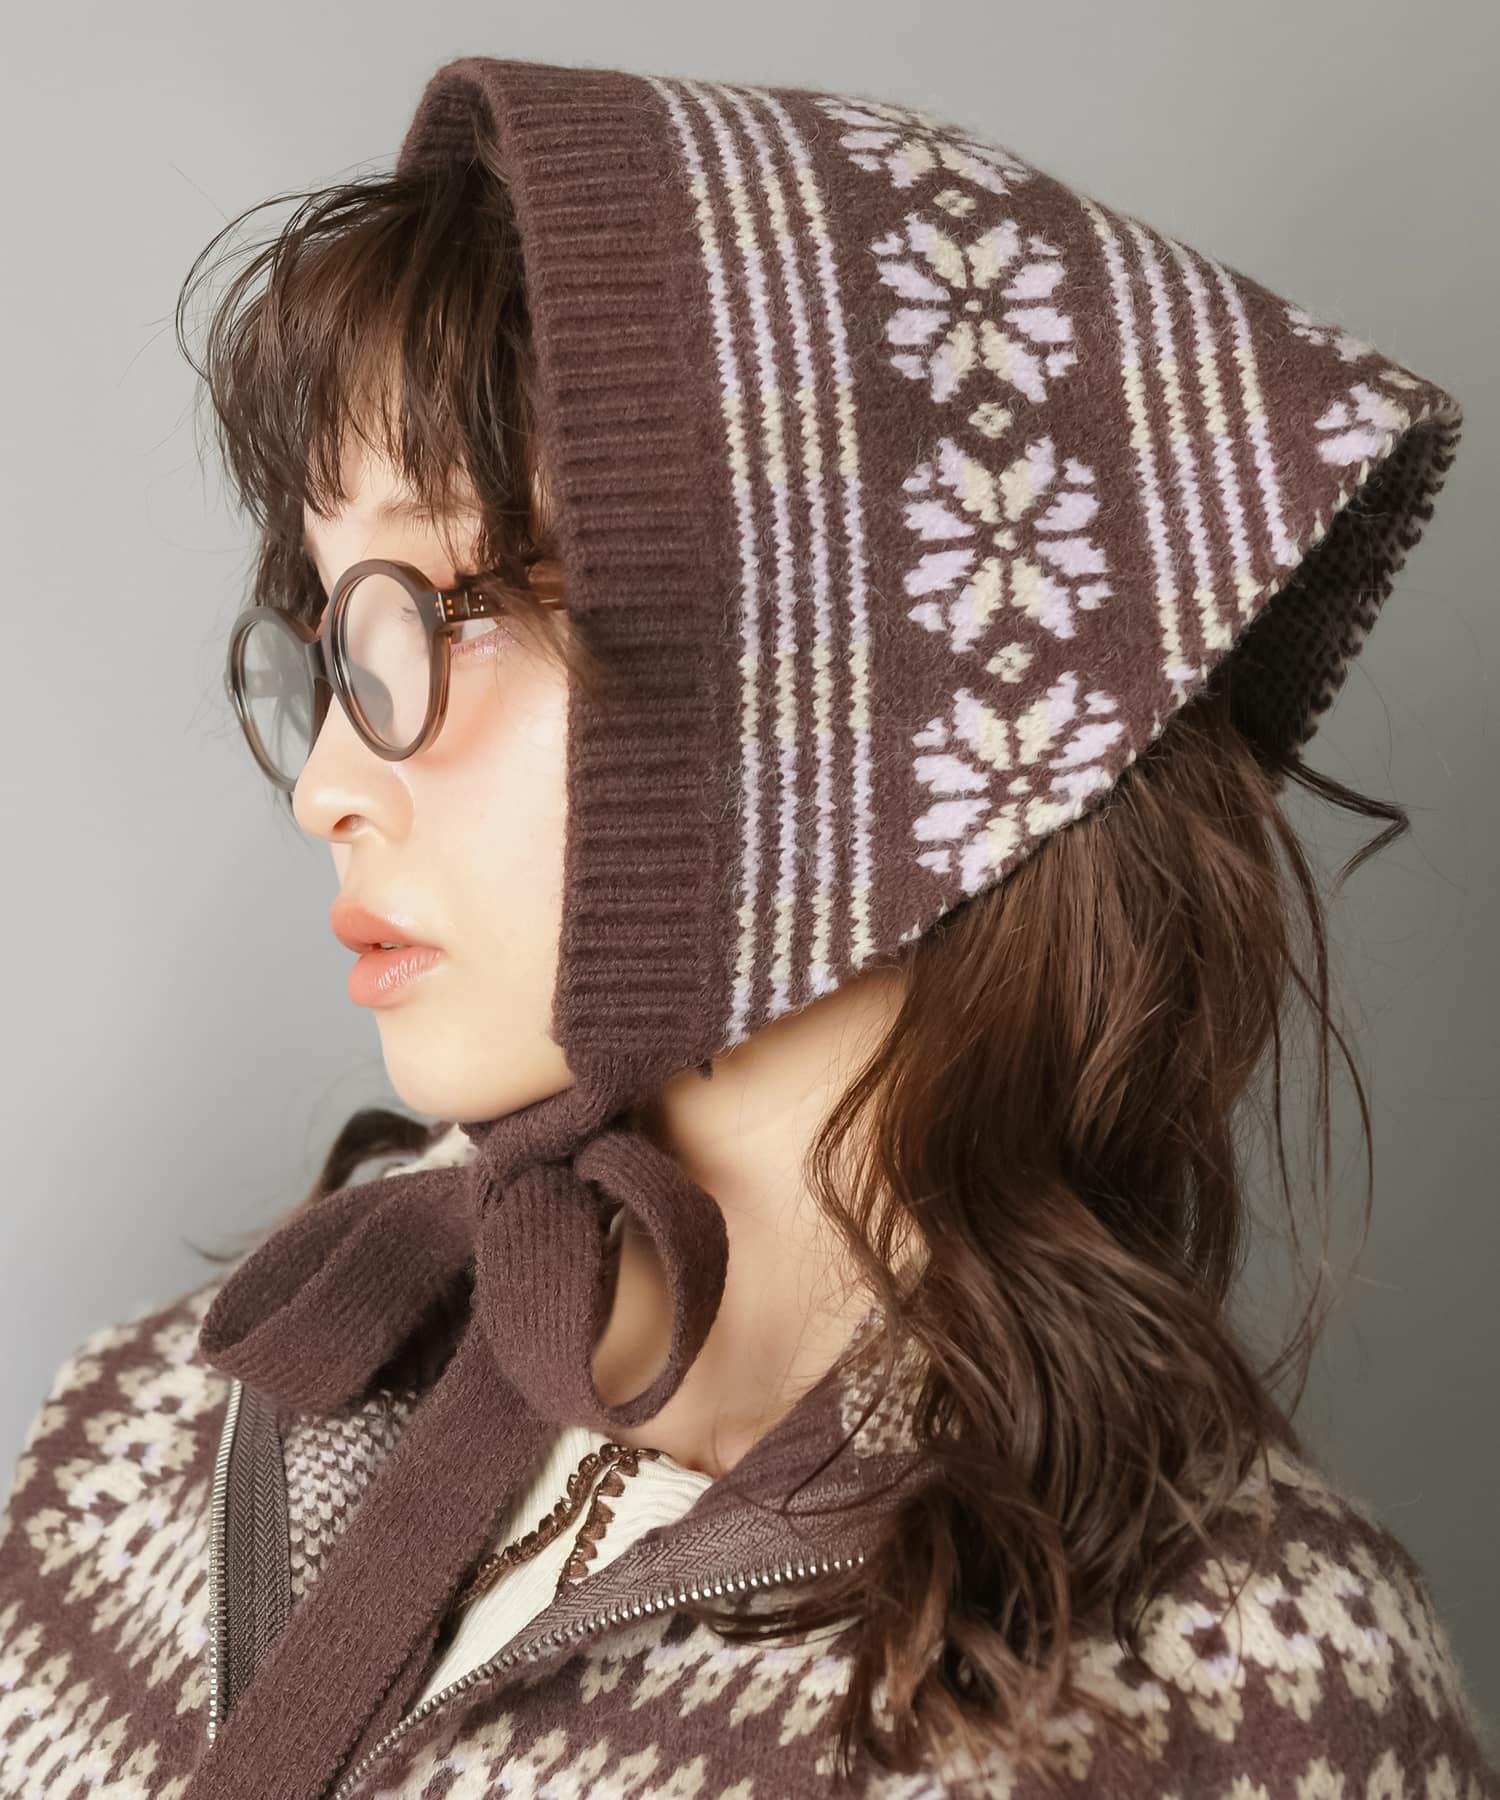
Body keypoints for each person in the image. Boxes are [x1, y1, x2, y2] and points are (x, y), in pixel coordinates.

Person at [0, 51, 1493, 1800]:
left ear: (861, 695)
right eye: (333, 633)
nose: (329, 780)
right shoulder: (150, 1428)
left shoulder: (1230, 1700)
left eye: (445, 607)